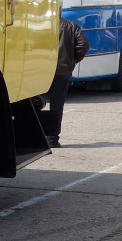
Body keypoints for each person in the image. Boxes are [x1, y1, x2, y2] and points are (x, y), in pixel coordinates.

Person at [44, 17, 88, 148]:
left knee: (36, 102)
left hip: (41, 69)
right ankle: (52, 139)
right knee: (57, 105)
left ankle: (34, 135)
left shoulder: (40, 24)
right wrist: (73, 59)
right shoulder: (71, 26)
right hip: (62, 70)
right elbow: (83, 44)